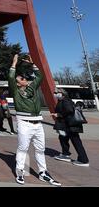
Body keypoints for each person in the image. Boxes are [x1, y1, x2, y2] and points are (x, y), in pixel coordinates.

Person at [9, 54, 61, 186]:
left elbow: (40, 76)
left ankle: (43, 172)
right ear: (18, 82)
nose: (24, 78)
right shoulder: (16, 91)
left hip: (37, 123)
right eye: (21, 78)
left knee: (40, 149)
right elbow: (11, 78)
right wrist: (14, 63)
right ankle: (20, 170)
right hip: (24, 123)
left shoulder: (32, 88)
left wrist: (33, 64)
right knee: (23, 148)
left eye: (24, 78)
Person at [51, 88, 89, 167]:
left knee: (76, 141)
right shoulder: (62, 100)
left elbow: (69, 110)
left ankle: (84, 160)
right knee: (63, 138)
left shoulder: (66, 101)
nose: (55, 94)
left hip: (71, 125)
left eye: (56, 92)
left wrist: (59, 115)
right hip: (67, 125)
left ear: (62, 93)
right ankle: (65, 154)